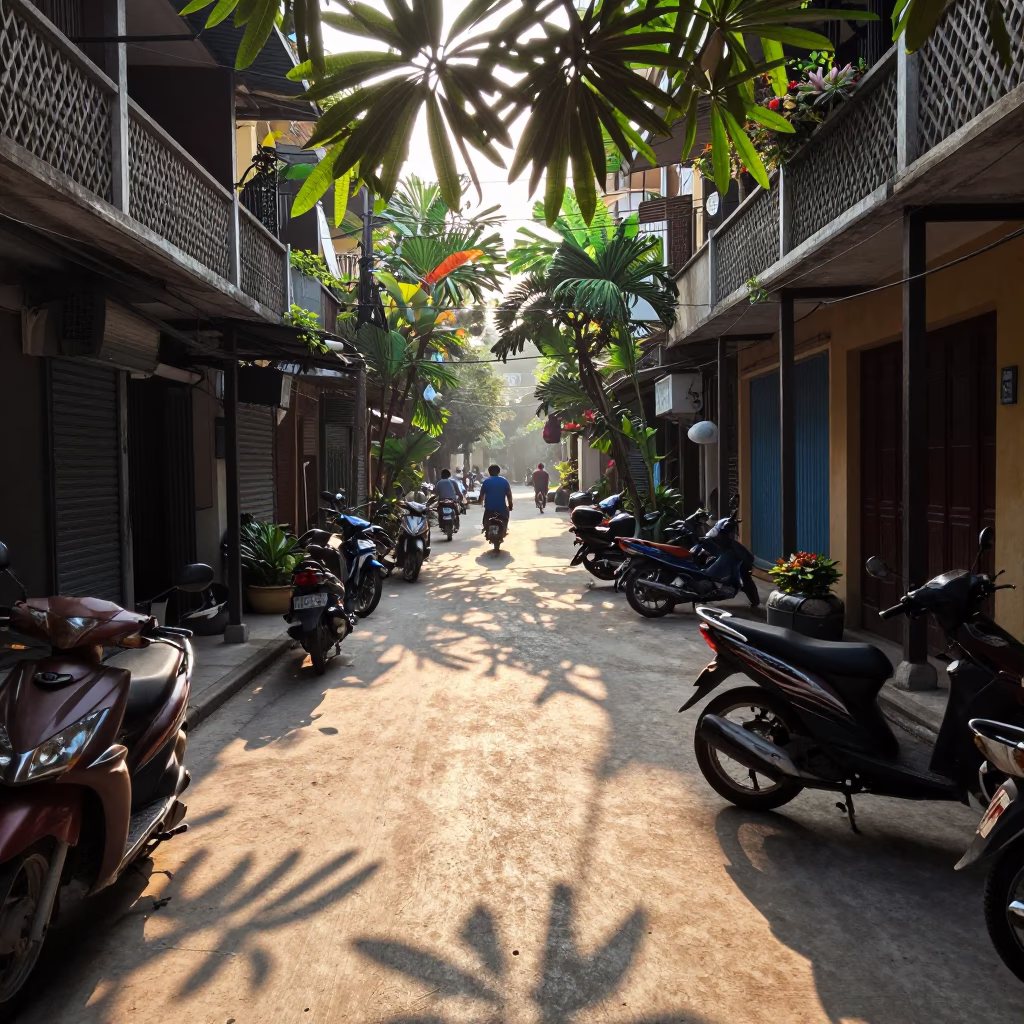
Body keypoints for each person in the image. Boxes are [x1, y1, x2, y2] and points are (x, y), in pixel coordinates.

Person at [478, 463, 513, 533]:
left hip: (489, 509)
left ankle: (485, 528)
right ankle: (504, 529)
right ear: (499, 472)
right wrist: (510, 505)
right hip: (501, 508)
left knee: (485, 520)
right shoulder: (504, 481)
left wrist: (480, 502)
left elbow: (481, 495)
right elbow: (509, 494)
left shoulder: (486, 482)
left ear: (489, 472)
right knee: (505, 517)